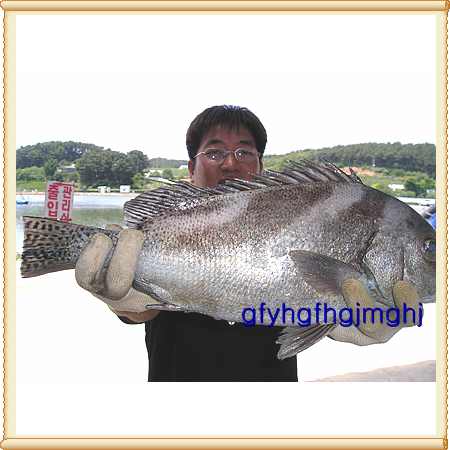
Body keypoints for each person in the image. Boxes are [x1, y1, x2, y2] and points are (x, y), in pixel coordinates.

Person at [75, 105, 422, 381]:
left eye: (244, 152)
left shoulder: (296, 211)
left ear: (261, 165)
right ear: (191, 168)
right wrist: (125, 300)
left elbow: (313, 305)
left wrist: (343, 321)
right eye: (214, 152)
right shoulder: (166, 220)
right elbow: (144, 310)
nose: (230, 162)